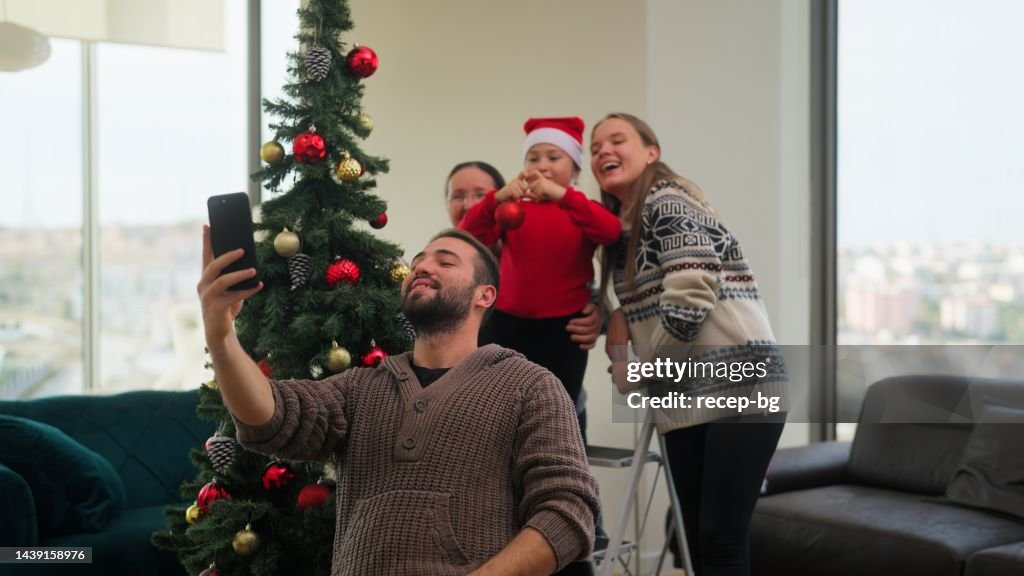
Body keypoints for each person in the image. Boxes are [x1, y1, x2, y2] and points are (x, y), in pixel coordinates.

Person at [197, 227, 600, 575]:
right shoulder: (359, 387)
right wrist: (221, 337)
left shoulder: (529, 386)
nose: (422, 267)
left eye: (446, 261)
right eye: (419, 260)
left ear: (485, 295)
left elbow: (568, 513)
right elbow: (270, 417)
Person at [593, 113, 787, 576]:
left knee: (719, 539)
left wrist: (645, 370)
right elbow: (654, 299)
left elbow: (692, 289)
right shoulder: (622, 229)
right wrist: (613, 316)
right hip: (685, 393)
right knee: (699, 544)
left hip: (739, 385)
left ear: (651, 152)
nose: (603, 151)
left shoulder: (668, 201)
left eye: (617, 140)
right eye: (596, 146)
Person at [459, 119, 620, 444]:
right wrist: (495, 198)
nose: (542, 166)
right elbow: (467, 236)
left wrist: (564, 196)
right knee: (505, 412)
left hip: (564, 330)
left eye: (553, 157)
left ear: (575, 169)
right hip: (508, 324)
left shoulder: (580, 209)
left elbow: (611, 230)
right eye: (533, 158)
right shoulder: (511, 209)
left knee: (558, 412)